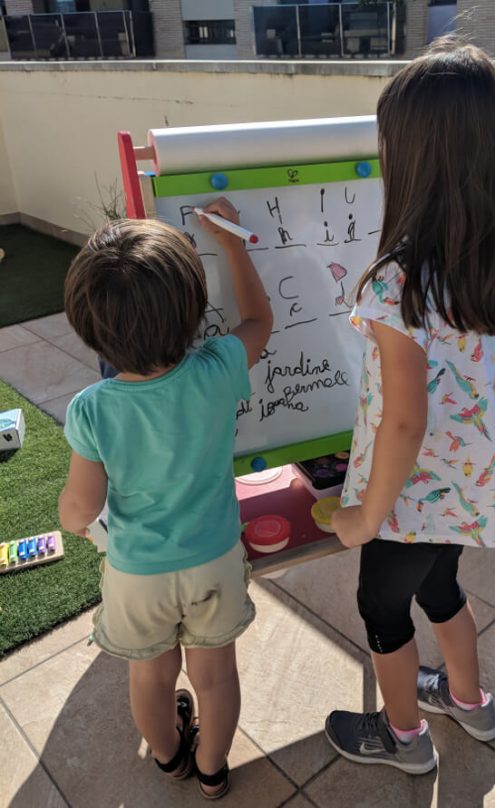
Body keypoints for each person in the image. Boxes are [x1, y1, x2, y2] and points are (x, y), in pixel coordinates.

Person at [325, 38, 495, 774]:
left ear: (416, 160)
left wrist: (364, 515)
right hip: (467, 491)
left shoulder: (395, 283)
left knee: (385, 612)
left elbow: (405, 420)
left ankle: (405, 738)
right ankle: (470, 701)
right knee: (444, 588)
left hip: (408, 500)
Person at [58, 199, 273, 799]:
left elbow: (79, 509)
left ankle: (170, 759)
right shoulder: (217, 368)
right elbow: (259, 321)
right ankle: (212, 769)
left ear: (88, 326)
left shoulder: (92, 409)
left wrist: (74, 521)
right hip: (215, 559)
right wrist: (233, 245)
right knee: (215, 674)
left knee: (151, 676)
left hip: (138, 575)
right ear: (191, 313)